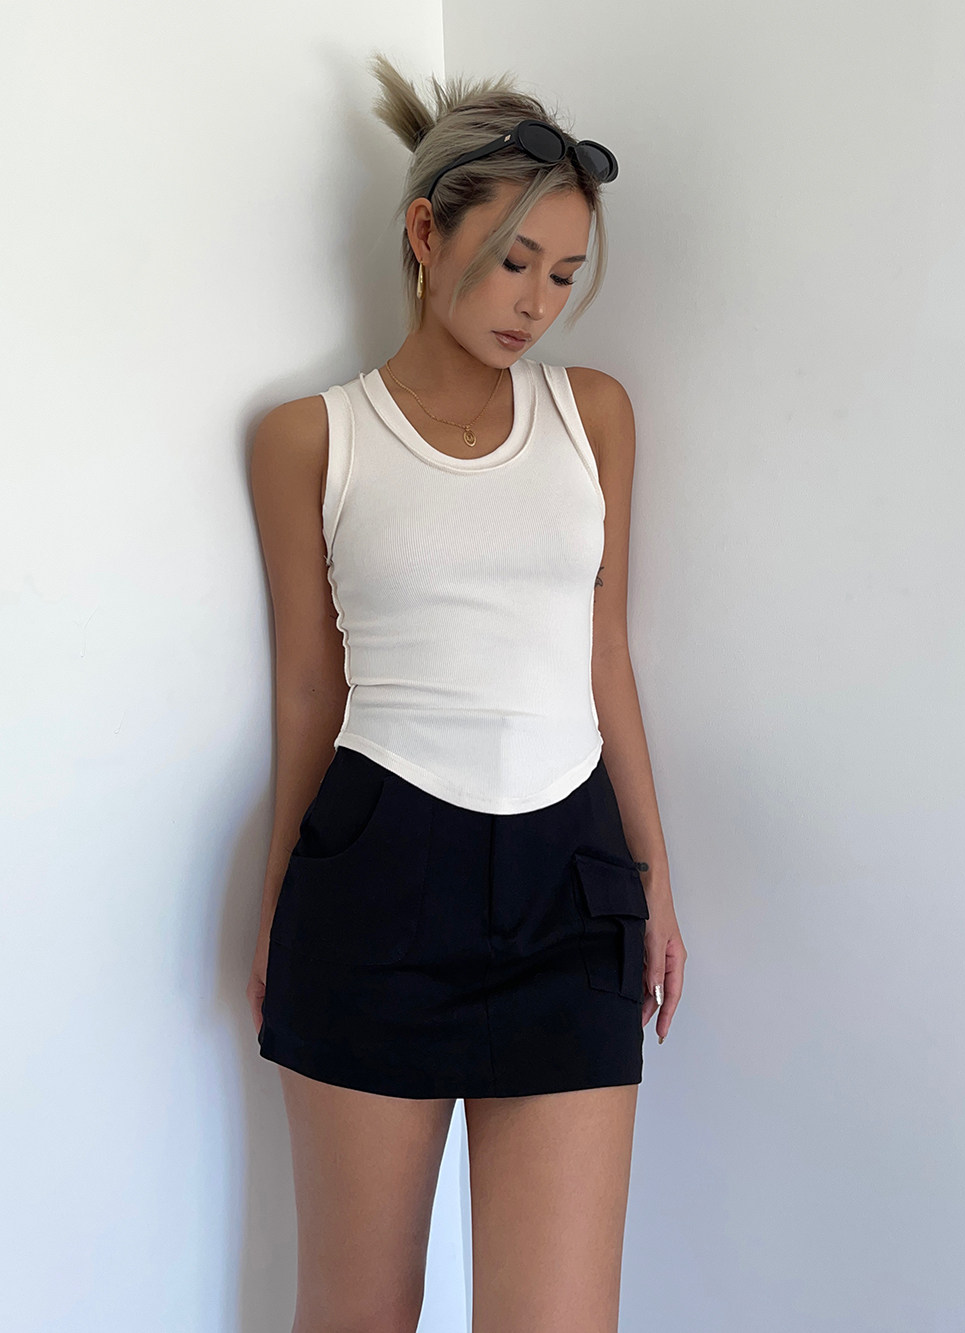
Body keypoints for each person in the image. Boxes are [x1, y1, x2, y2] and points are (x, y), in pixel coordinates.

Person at [246, 50, 686, 1333]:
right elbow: (306, 692)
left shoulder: (593, 416)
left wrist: (655, 882)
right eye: (512, 261)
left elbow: (605, 655)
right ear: (425, 234)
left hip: (573, 884)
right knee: (356, 1313)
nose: (536, 303)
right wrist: (277, 911)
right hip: (375, 881)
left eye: (564, 273)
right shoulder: (310, 439)